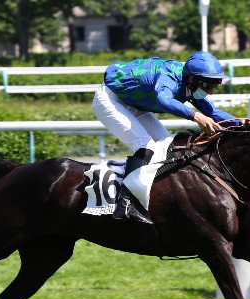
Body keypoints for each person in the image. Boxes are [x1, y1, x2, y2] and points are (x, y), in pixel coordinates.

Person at [92, 51, 241, 222]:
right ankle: (125, 204)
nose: (211, 91)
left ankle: (157, 196)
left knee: (167, 148)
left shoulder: (190, 83)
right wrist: (195, 116)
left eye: (215, 85)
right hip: (110, 99)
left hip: (134, 103)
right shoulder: (168, 75)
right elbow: (165, 100)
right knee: (145, 146)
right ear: (192, 79)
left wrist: (243, 123)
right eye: (208, 85)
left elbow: (212, 112)